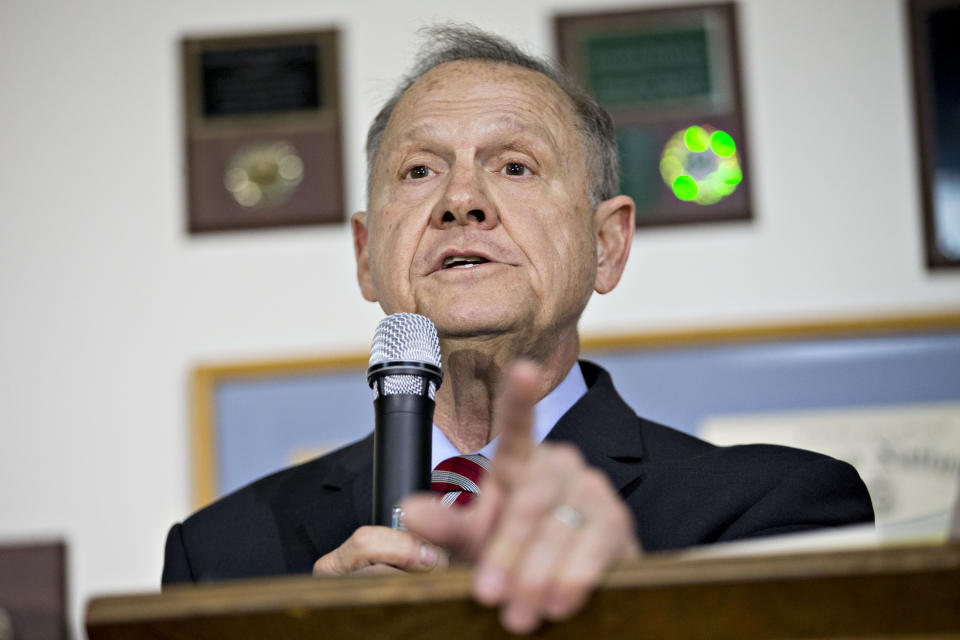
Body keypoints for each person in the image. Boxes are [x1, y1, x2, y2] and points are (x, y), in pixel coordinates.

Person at [163, 24, 873, 634]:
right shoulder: (219, 554)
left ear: (607, 245)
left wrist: (620, 615)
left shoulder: (777, 511)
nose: (462, 201)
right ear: (365, 256)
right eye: (418, 170)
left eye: (514, 165)